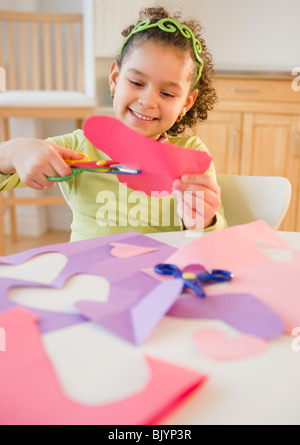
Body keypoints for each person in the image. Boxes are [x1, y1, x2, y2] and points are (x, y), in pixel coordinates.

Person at [0, 6, 226, 242]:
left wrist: (203, 222)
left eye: (167, 94)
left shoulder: (191, 156)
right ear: (115, 80)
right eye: (137, 82)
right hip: (87, 274)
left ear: (186, 104)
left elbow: (214, 240)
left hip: (158, 276)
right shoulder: (77, 147)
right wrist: (15, 151)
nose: (147, 101)